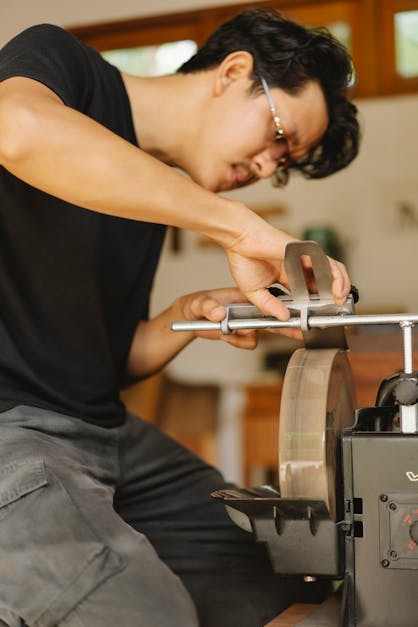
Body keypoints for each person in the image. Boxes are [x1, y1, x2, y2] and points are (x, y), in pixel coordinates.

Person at [0, 7, 359, 627]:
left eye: (286, 164)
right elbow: (15, 130)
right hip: (14, 430)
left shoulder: (157, 193)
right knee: (146, 613)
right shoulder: (65, 66)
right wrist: (242, 230)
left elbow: (105, 360)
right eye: (281, 136)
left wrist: (183, 316)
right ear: (235, 71)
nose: (272, 167)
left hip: (104, 434)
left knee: (281, 570)